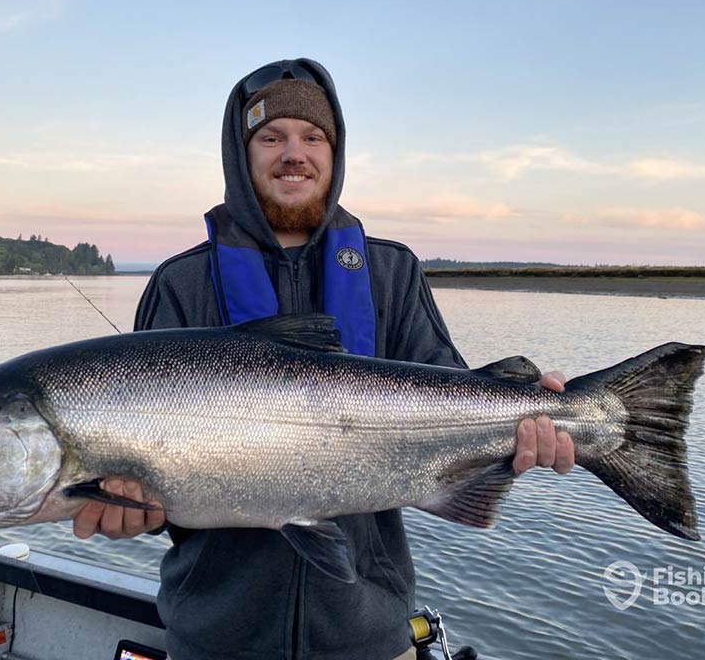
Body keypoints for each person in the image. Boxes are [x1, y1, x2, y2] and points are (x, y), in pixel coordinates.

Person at [73, 59, 574, 660]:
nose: (294, 152)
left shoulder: (391, 271)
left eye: (314, 137)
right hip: (217, 638)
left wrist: (528, 429)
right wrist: (131, 510)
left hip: (370, 633)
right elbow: (144, 475)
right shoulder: (181, 283)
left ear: (335, 156)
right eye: (271, 137)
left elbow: (461, 410)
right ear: (242, 154)